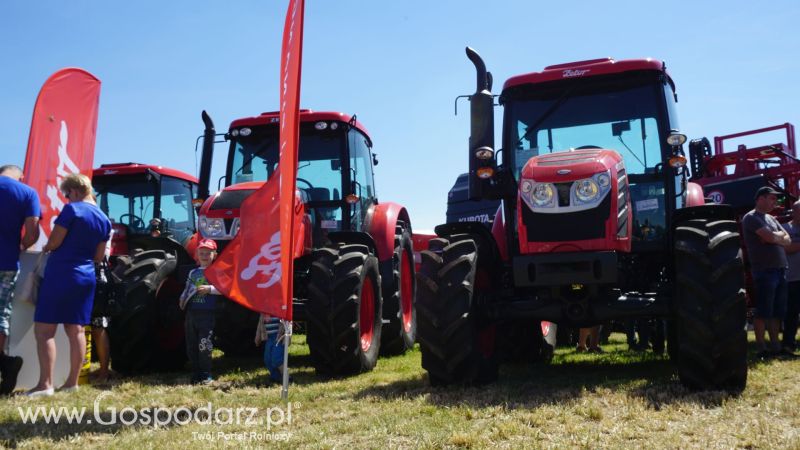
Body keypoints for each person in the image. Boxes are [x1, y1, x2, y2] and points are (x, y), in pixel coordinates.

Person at [28, 173, 111, 396]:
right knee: (76, 331)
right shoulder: (104, 219)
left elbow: (54, 242)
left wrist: (46, 248)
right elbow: (98, 256)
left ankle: (45, 384)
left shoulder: (72, 210)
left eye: (66, 195)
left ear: (74, 191)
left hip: (62, 273)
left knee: (44, 331)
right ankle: (72, 383)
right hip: (85, 277)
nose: (66, 199)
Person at [0, 164, 40, 395]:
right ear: (21, 176)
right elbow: (32, 233)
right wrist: (21, 247)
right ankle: (6, 364)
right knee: (1, 315)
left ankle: (6, 363)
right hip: (6, 262)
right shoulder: (26, 192)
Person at [741, 186, 791, 359]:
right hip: (764, 270)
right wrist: (776, 238)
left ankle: (775, 345)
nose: (775, 202)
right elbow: (772, 238)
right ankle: (761, 347)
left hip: (780, 269)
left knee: (777, 310)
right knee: (763, 309)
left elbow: (787, 239)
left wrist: (773, 237)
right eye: (771, 198)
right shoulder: (751, 218)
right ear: (760, 199)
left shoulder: (771, 218)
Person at [179, 239, 221, 384]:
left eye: (208, 253)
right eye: (201, 253)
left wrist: (209, 289)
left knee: (205, 344)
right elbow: (187, 289)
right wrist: (182, 299)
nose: (204, 255)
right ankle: (195, 372)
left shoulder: (216, 271)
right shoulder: (193, 272)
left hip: (206, 313)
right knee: (191, 344)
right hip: (192, 313)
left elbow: (224, 290)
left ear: (214, 255)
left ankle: (206, 373)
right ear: (197, 254)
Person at [781, 200, 800, 354]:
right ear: (794, 211)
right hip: (792, 278)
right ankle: (788, 344)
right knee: (791, 313)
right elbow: (787, 248)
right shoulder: (786, 228)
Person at [255, 313, 285, 384]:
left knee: (277, 358)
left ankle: (286, 376)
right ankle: (275, 376)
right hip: (268, 338)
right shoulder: (263, 313)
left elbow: (286, 323)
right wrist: (257, 337)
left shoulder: (279, 311)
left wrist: (287, 336)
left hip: (278, 338)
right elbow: (260, 325)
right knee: (267, 359)